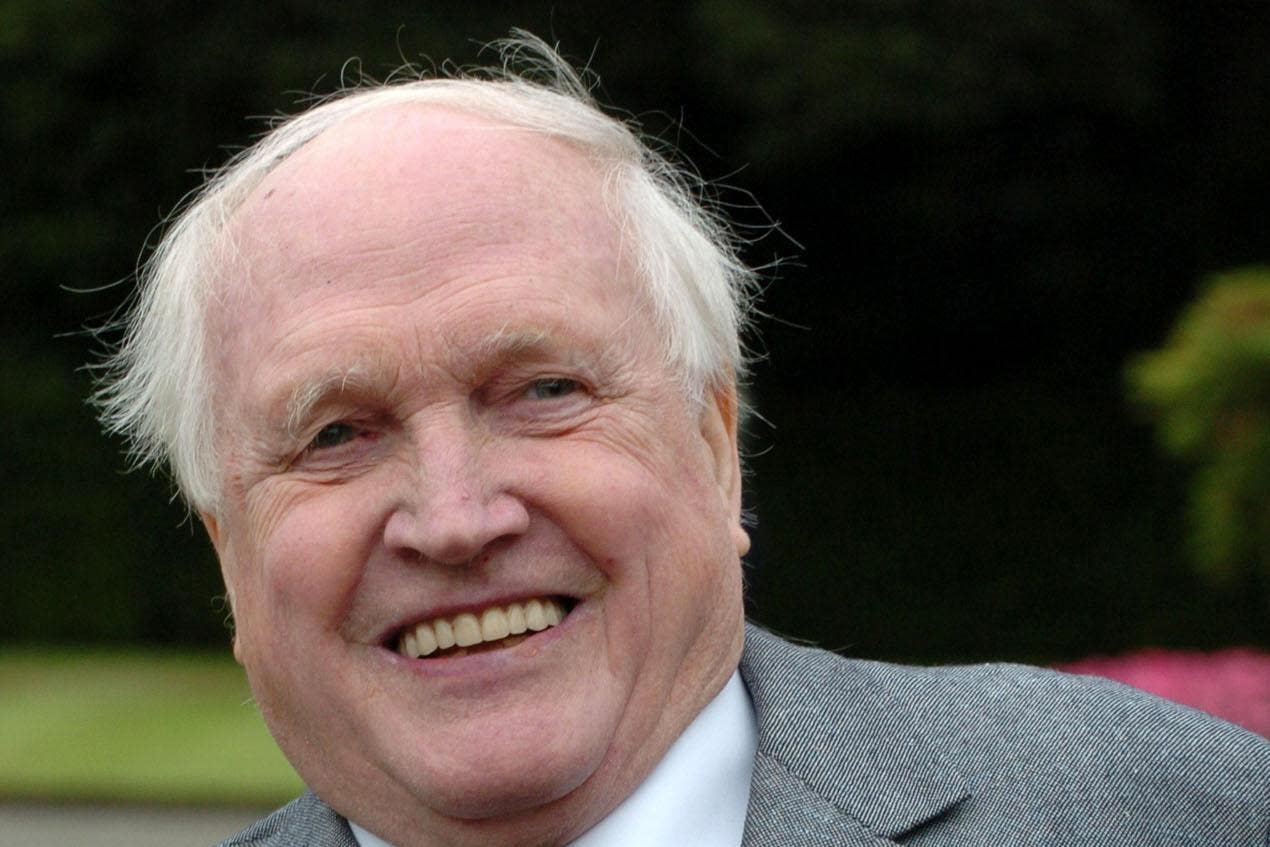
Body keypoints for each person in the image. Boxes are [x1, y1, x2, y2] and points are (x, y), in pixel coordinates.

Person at [94, 34, 1269, 847]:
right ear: (229, 547)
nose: (455, 518)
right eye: (337, 432)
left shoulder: (1165, 809)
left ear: (715, 445)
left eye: (543, 388)